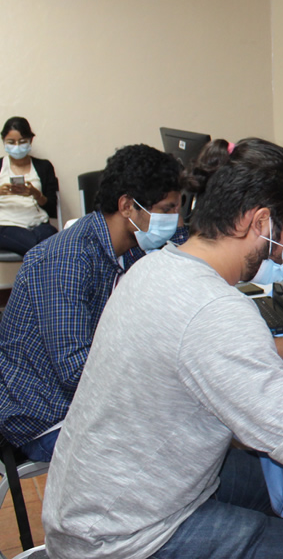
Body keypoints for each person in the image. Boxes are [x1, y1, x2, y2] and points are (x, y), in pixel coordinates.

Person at [42, 138, 283, 559]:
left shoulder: (156, 267)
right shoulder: (216, 310)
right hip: (126, 542)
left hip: (91, 508)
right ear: (260, 222)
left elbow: (196, 351)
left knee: (280, 480)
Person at [0, 144, 182, 461]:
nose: (175, 221)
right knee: (170, 448)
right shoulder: (66, 259)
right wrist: (156, 379)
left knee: (185, 423)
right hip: (45, 417)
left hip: (76, 399)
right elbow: (75, 370)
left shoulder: (125, 247)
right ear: (127, 206)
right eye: (166, 210)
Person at [0, 116, 58, 255]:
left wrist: (35, 194)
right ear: (3, 141)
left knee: (52, 236)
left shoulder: (44, 166)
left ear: (30, 140)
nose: (17, 146)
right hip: (6, 225)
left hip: (38, 224)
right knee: (46, 249)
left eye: (22, 141)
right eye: (11, 142)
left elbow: (52, 207)